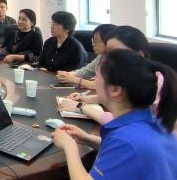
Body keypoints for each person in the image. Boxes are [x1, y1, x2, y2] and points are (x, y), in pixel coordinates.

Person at [52, 49, 177, 180]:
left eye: (97, 77)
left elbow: (127, 147)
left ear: (115, 90)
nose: (94, 82)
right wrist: (88, 139)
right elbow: (126, 152)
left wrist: (69, 146)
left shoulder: (126, 140)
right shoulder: (155, 122)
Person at [56, 24, 117, 90]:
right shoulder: (101, 56)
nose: (93, 44)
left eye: (96, 41)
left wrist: (75, 79)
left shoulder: (116, 60)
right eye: (93, 41)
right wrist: (67, 74)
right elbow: (86, 71)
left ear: (109, 41)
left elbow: (100, 85)